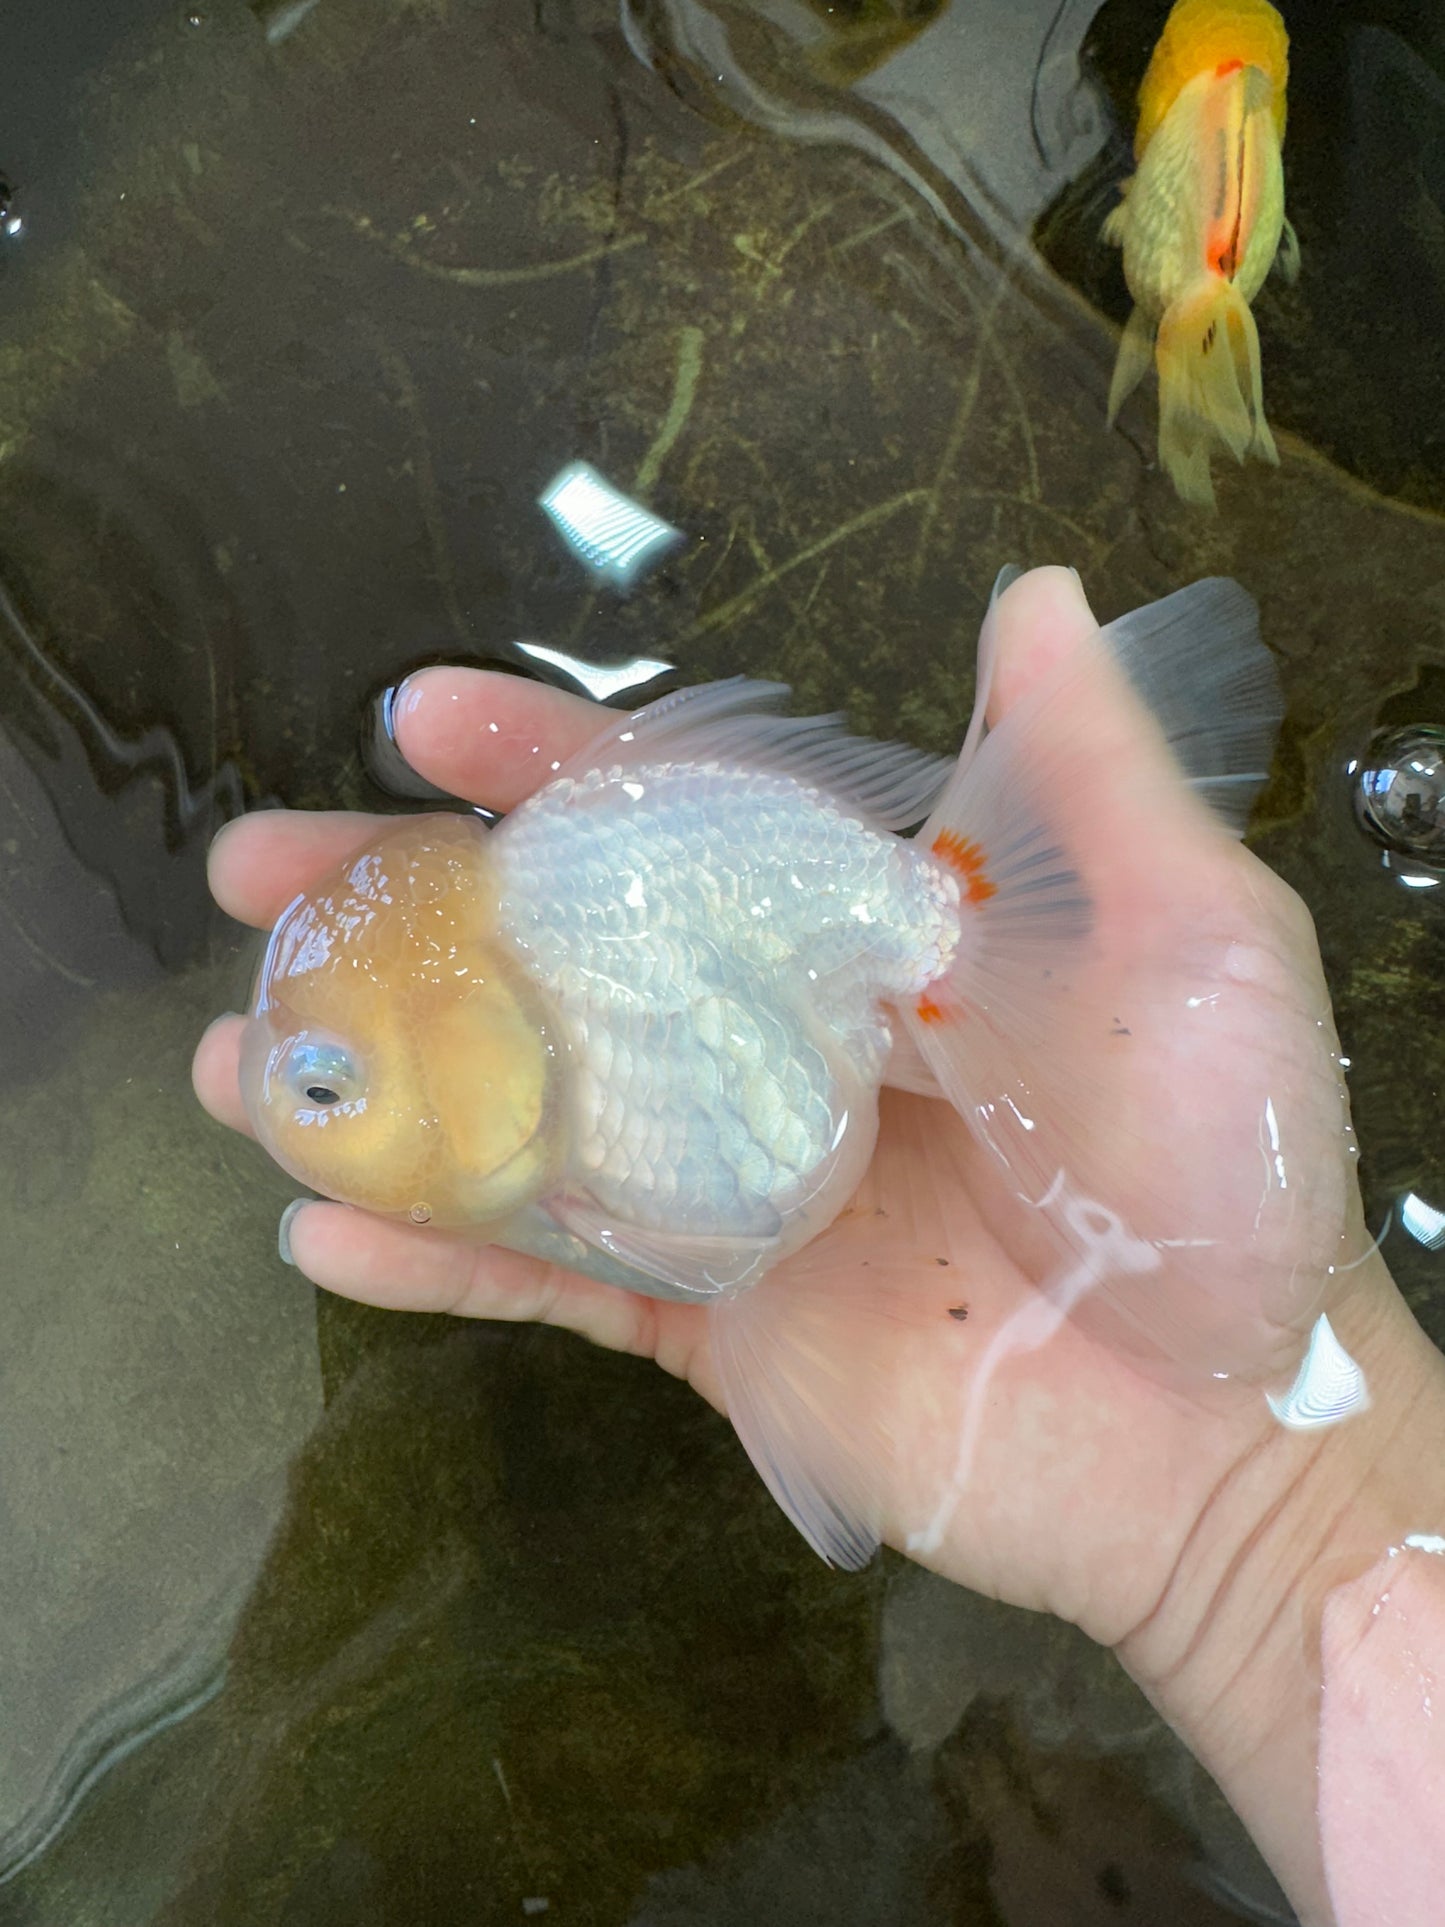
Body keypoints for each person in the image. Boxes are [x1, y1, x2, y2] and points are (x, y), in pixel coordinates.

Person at [193, 568, 1445, 1926]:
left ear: (467, 1050)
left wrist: (1275, 1502)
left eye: (327, 1084)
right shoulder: (546, 1034)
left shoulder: (578, 937)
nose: (300, 1109)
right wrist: (1283, 1511)